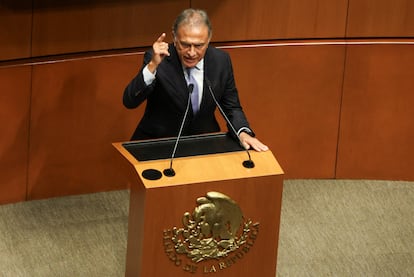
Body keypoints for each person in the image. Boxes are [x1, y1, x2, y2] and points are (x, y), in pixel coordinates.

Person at [123, 8, 268, 152]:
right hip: (158, 145)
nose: (191, 53)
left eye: (199, 46)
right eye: (185, 45)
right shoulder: (158, 58)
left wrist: (242, 132)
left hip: (202, 144)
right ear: (174, 38)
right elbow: (130, 101)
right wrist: (152, 66)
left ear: (209, 39)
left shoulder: (221, 61)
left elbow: (232, 107)